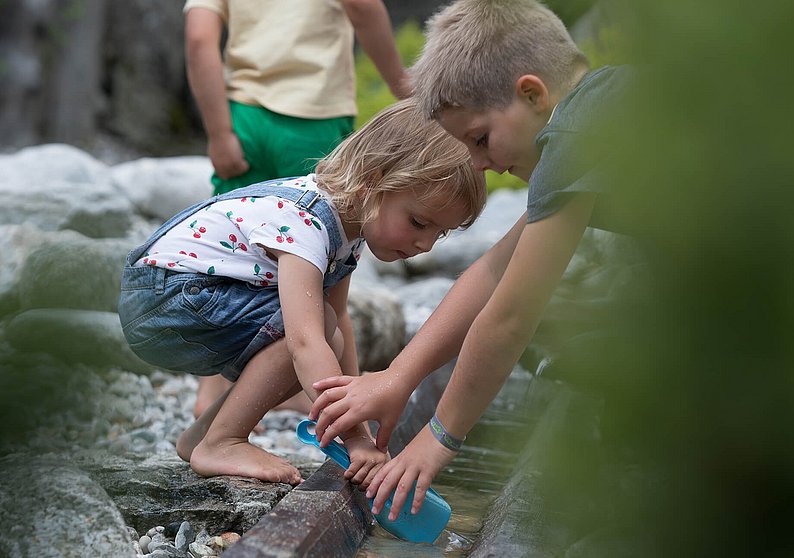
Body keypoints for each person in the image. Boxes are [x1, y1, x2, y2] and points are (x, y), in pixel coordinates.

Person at [309, 0, 634, 519]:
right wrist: (398, 377)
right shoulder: (598, 120)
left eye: (481, 139)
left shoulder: (570, 137)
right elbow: (491, 271)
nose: (485, 165)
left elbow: (508, 318)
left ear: (532, 94)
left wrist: (440, 436)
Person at [117, 99, 487, 484]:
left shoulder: (349, 230)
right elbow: (306, 343)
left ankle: (203, 437)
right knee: (312, 332)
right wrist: (355, 437)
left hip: (183, 301)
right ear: (373, 183)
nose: (425, 245)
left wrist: (358, 412)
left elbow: (339, 323)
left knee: (331, 333)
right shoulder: (306, 222)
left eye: (438, 234)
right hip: (164, 300)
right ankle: (224, 441)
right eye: (418, 222)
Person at [184, 0, 411, 418]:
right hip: (312, 115)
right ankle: (320, 393)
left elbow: (200, 38)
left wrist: (218, 132)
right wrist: (407, 92)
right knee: (320, 277)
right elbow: (363, 7)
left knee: (229, 263)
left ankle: (212, 397)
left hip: (243, 117)